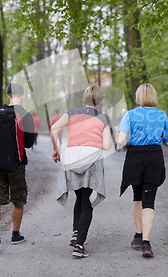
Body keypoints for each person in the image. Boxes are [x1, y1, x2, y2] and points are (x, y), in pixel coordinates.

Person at [50, 86, 111, 258]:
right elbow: (106, 146)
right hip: (91, 160)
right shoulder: (103, 118)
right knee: (87, 202)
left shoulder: (71, 113)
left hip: (72, 159)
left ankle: (76, 233)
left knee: (79, 197)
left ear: (85, 99)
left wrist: (56, 150)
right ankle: (79, 246)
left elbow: (54, 129)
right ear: (100, 101)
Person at [116, 83, 168, 258]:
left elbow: (121, 141)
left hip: (135, 158)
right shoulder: (162, 115)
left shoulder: (130, 115)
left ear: (139, 97)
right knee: (149, 201)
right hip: (154, 158)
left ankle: (138, 235)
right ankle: (146, 244)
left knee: (137, 197)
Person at [0, 83, 34, 254]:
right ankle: (15, 235)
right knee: (18, 200)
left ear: (7, 96)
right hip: (16, 164)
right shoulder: (25, 115)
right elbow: (28, 144)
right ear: (22, 96)